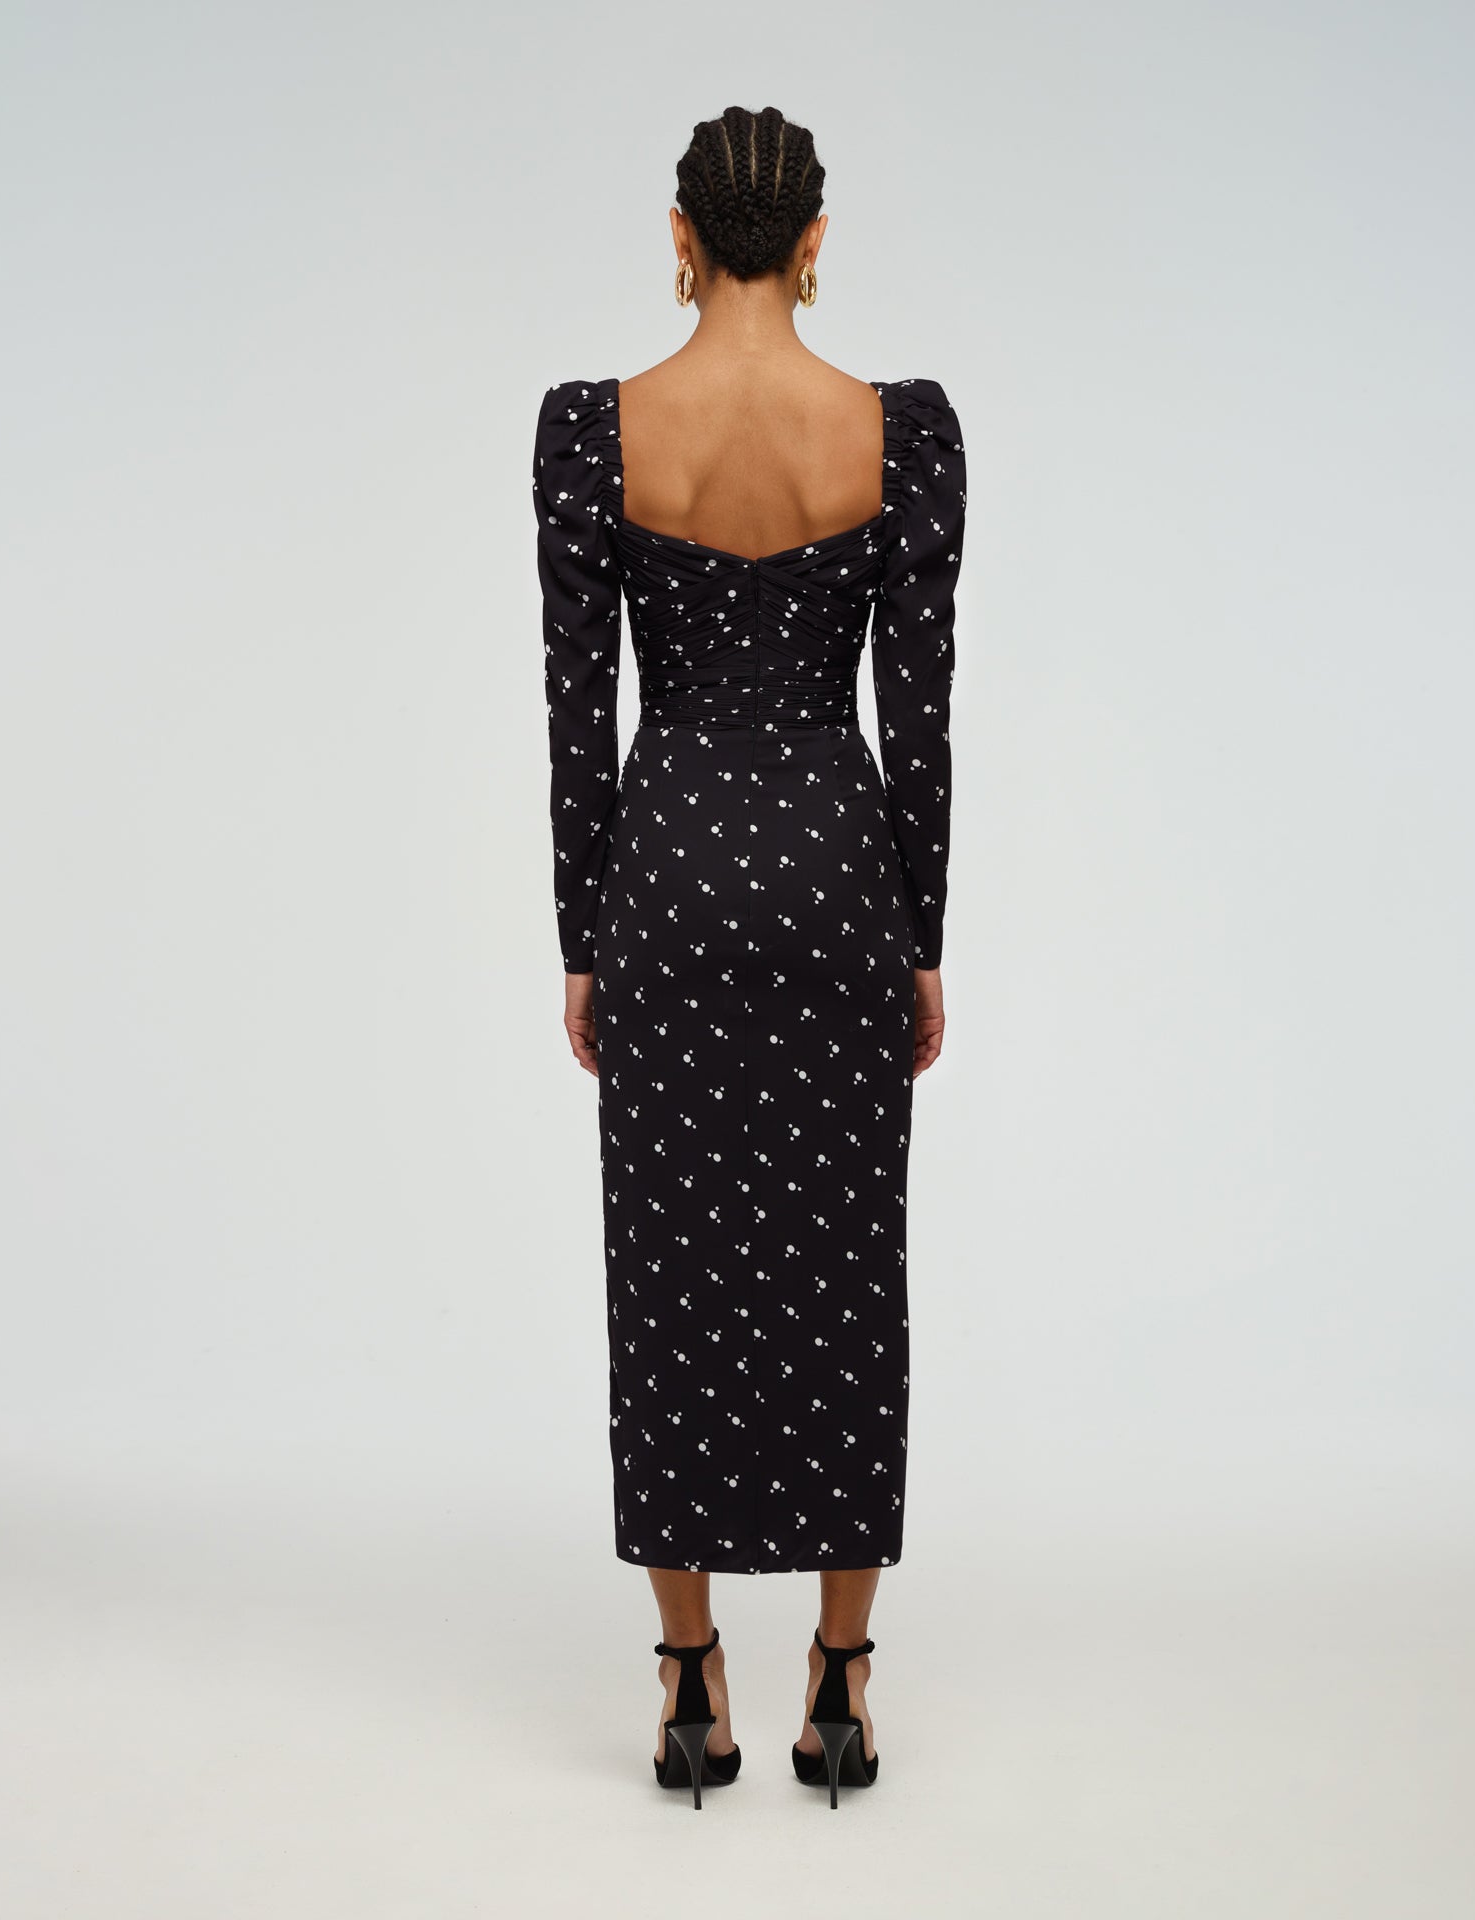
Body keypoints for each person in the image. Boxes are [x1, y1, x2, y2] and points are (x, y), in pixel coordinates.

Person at [530, 103, 966, 1809]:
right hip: (839, 876)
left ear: (681, 235)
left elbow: (581, 715)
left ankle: (689, 1679)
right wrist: (920, 938)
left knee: (674, 1270)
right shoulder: (900, 434)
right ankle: (841, 1684)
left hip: (671, 878)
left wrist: (584, 939)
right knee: (848, 1267)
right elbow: (917, 722)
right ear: (816, 242)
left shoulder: (596, 432)